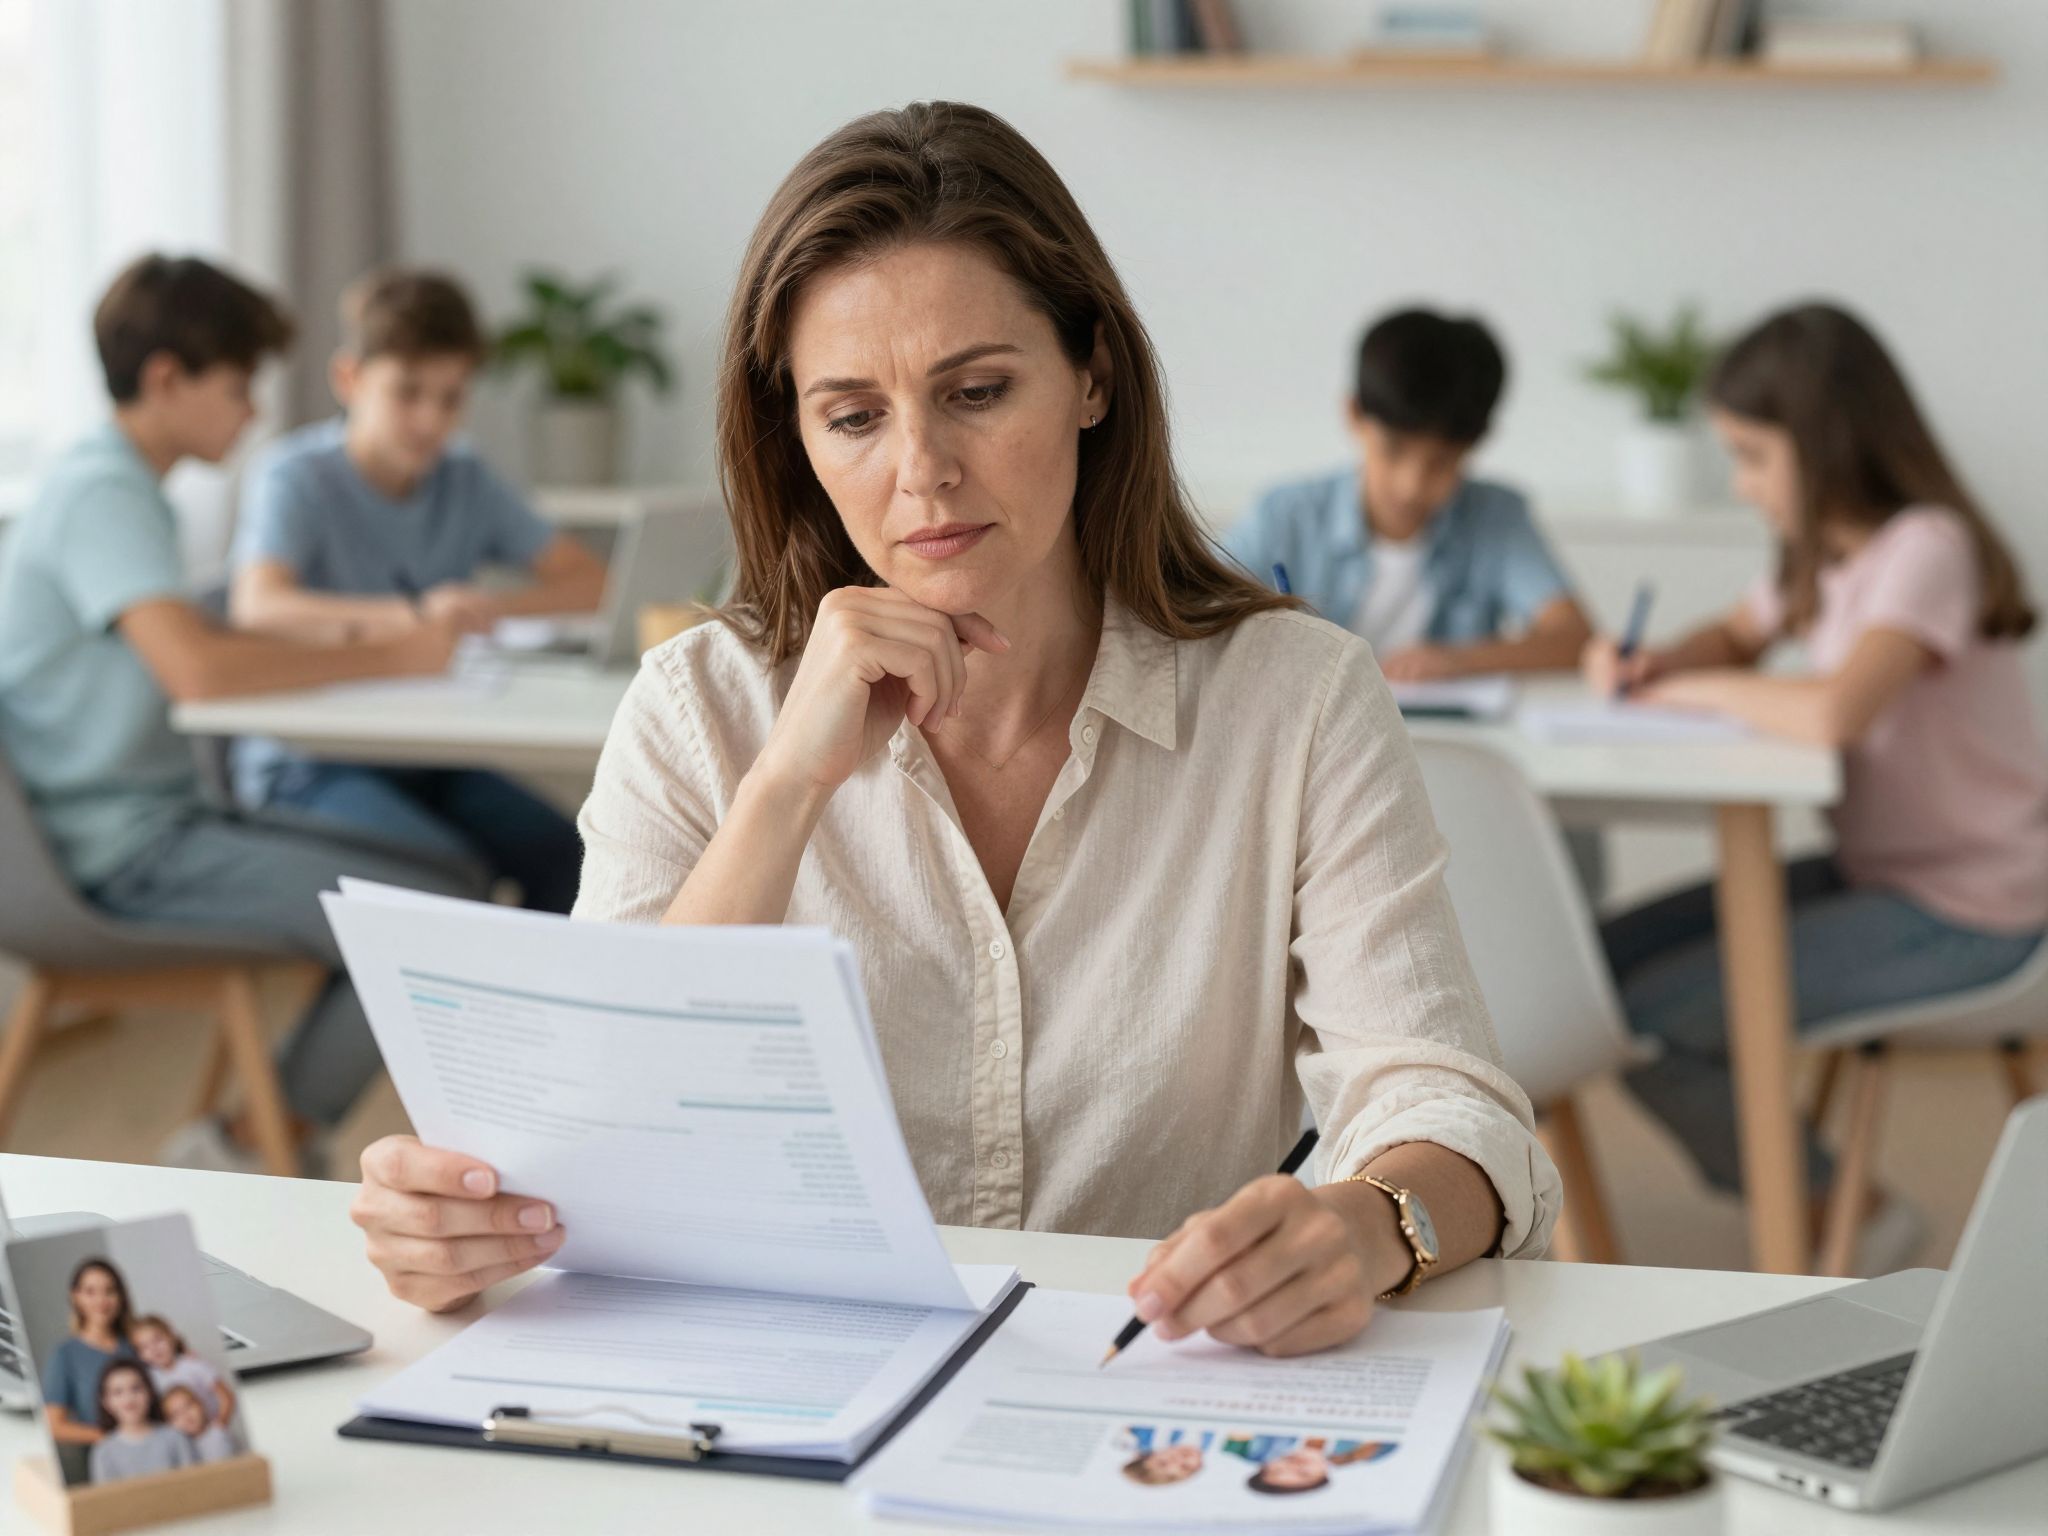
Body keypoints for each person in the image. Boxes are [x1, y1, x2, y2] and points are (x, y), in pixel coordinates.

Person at [348, 102, 1560, 1351]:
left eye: (976, 391)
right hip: (780, 1383)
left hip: (1139, 1394)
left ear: (1091, 376)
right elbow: (604, 1135)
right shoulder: (695, 705)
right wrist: (784, 789)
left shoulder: (1293, 698)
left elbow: (1447, 1101)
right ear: (795, 435)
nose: (919, 469)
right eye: (854, 415)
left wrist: (1368, 1225)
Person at [0, 254, 493, 1175]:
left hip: (159, 823)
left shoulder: (115, 487)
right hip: (118, 853)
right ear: (165, 378)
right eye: (238, 386)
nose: (255, 411)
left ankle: (259, 1135)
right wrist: (390, 651)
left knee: (453, 883)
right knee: (434, 917)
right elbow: (192, 670)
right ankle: (249, 1144)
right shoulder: (103, 491)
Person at [1587, 303, 2047, 1264]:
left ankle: (1849, 1208)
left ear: (1825, 442)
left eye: (1753, 457)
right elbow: (1737, 632)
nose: (1743, 486)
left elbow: (1837, 710)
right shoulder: (1826, 560)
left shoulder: (1928, 547)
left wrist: (1685, 688)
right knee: (1600, 968)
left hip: (1982, 905)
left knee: (1648, 1022)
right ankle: (1815, 1195)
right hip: (1882, 870)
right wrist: (1659, 659)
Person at [229, 269, 607, 913]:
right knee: (446, 873)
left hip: (429, 755)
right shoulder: (295, 478)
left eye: (451, 397)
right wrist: (412, 614)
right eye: (408, 393)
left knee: (569, 854)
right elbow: (257, 607)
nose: (431, 420)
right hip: (311, 763)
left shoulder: (463, 477)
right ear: (349, 379)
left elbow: (589, 582)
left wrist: (483, 611)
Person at [1224, 308, 1591, 682]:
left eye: (1441, 462)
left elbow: (1575, 638)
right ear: (1354, 415)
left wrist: (1460, 660)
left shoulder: (1496, 517)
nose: (1411, 484)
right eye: (1393, 450)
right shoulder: (1283, 514)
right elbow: (1192, 618)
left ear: (1476, 443)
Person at [37, 1260, 135, 1455]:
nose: (101, 1300)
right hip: (107, 1461)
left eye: (110, 1291)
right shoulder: (65, 1355)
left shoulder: (137, 1345)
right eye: (91, 1292)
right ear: (76, 1297)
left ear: (120, 1297)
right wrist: (115, 1439)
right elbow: (54, 1425)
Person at [129, 1315, 237, 1446]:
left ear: (171, 1337)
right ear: (140, 1355)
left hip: (209, 1434)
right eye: (145, 1347)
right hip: (179, 1443)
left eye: (158, 1340)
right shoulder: (148, 1380)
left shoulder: (194, 1365)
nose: (154, 1349)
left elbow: (226, 1396)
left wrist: (219, 1425)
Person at [87, 1361, 196, 1484]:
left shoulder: (175, 1437)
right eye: (118, 1392)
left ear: (149, 1393)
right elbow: (106, 1500)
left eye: (136, 1388)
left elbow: (194, 1485)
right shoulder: (103, 1452)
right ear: (106, 1402)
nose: (129, 1398)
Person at [161, 1385, 238, 1464]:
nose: (185, 1415)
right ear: (169, 1425)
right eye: (176, 1414)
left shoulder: (218, 1435)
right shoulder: (179, 1448)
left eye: (188, 1406)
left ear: (200, 1404)